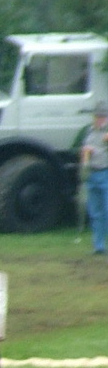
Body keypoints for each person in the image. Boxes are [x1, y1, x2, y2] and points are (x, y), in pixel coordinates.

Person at [81, 103, 108, 256]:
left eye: (102, 116)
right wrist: (85, 151)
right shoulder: (90, 131)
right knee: (96, 212)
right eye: (97, 116)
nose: (99, 119)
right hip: (92, 173)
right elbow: (85, 149)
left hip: (106, 173)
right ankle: (99, 246)